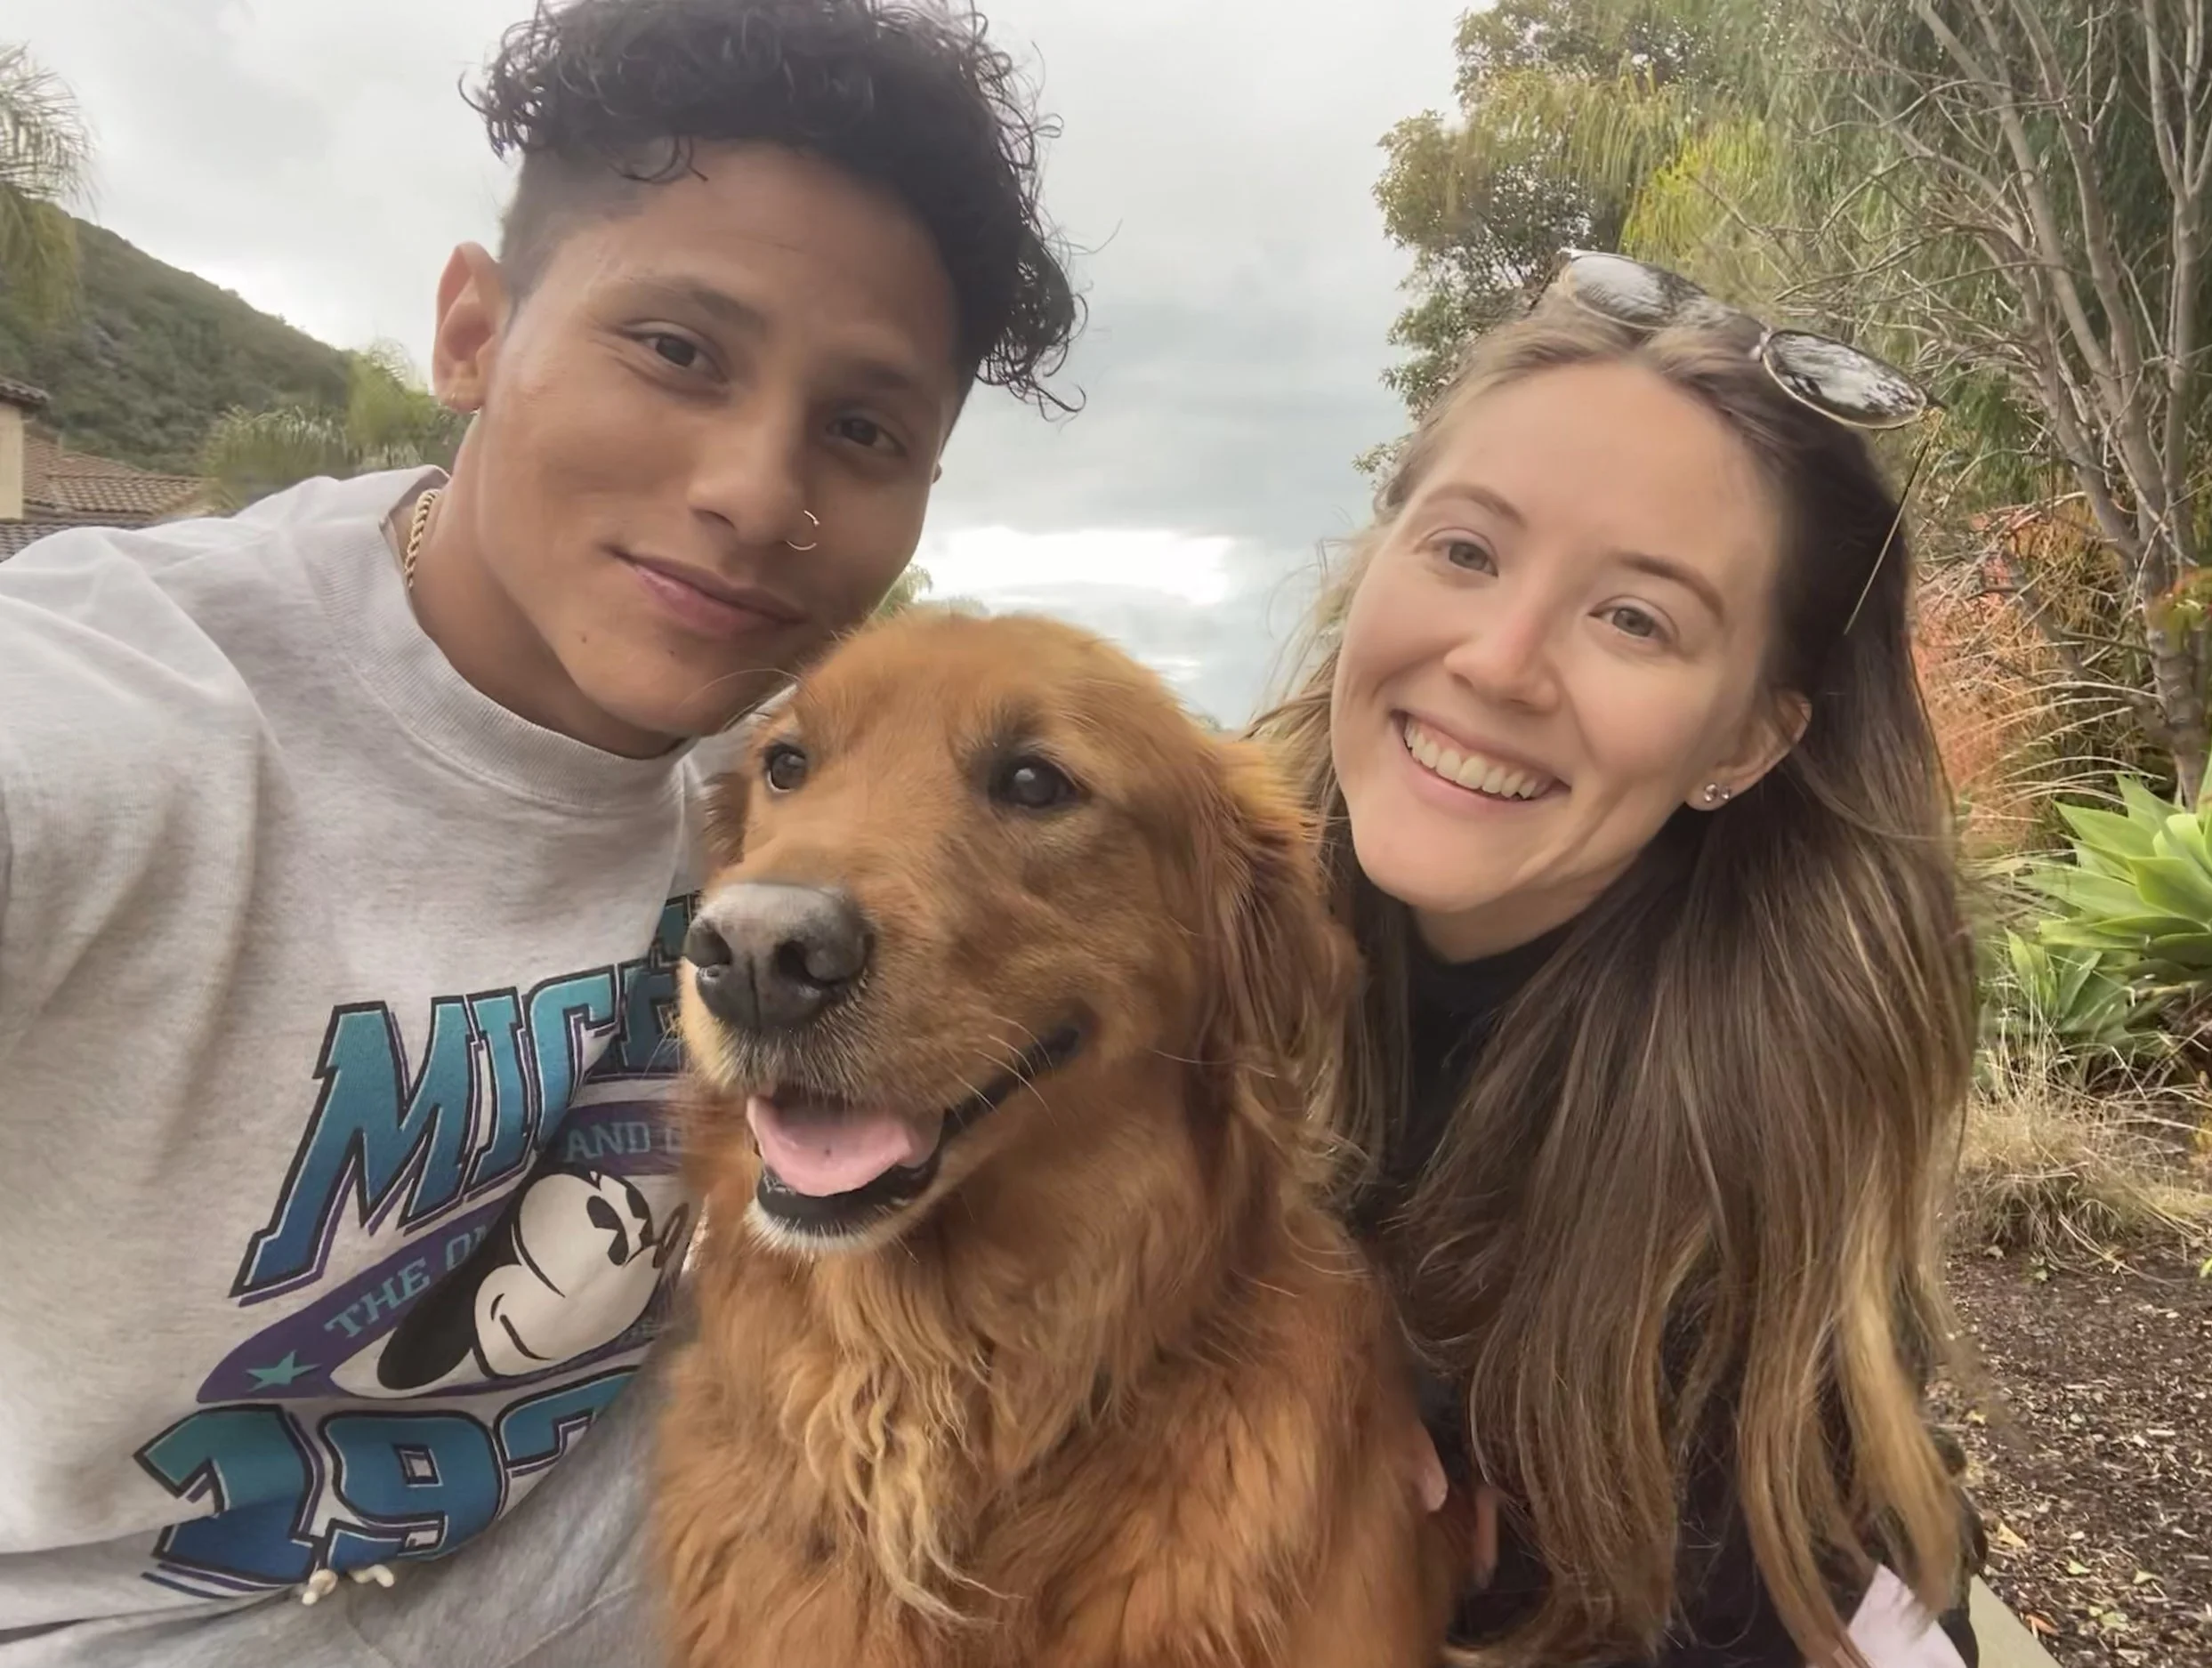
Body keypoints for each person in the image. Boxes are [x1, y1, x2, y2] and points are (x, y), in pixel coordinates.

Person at [0, 1, 1077, 1663]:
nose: (755, 490)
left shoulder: (786, 778)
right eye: (678, 350)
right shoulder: (124, 717)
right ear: (473, 333)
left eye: (864, 429)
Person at [1256, 254, 1986, 1667]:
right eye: (1466, 551)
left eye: (1636, 618)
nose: (1501, 661)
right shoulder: (1171, 912)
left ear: (1747, 740)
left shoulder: (1736, 1202)